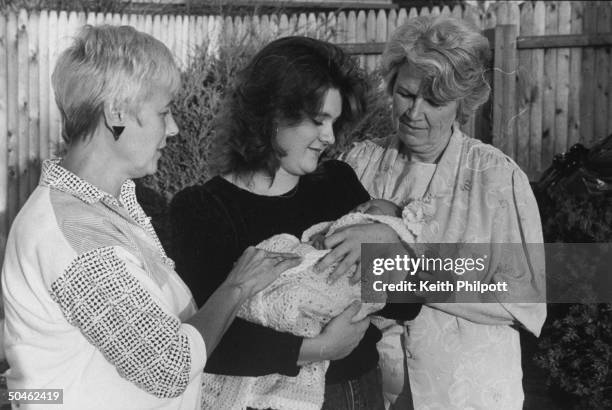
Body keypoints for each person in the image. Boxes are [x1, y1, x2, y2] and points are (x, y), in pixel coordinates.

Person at [1, 25, 300, 410]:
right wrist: (238, 287)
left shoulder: (109, 204)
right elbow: (168, 367)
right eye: (163, 112)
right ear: (117, 114)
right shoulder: (73, 234)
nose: (174, 128)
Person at [171, 36, 420, 410]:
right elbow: (208, 341)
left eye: (334, 122)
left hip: (361, 390)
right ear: (272, 115)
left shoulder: (337, 182)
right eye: (318, 121)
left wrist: (387, 242)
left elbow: (409, 303)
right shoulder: (203, 209)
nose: (330, 137)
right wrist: (317, 349)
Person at [316, 15, 547, 410]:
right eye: (406, 94)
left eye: (434, 101)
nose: (414, 112)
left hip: (466, 393)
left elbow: (524, 299)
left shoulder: (496, 177)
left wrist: (406, 262)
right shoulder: (360, 163)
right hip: (370, 389)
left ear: (461, 104)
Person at [200, 197, 417, 409]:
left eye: (370, 210)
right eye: (361, 208)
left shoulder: (337, 176)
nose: (359, 209)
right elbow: (202, 336)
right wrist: (319, 348)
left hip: (360, 384)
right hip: (266, 383)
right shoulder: (207, 203)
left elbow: (411, 305)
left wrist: (393, 244)